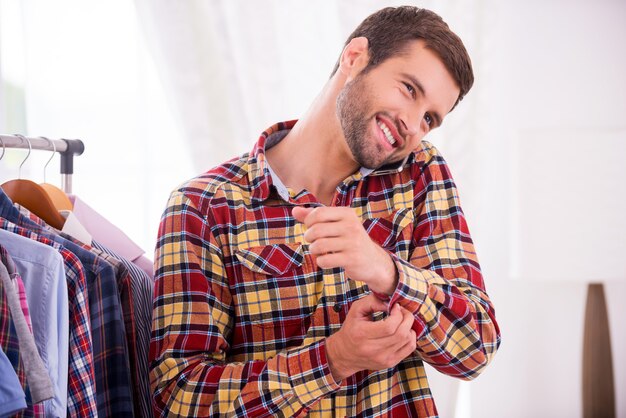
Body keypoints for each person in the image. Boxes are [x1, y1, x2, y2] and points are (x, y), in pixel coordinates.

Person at [149, 5, 501, 417]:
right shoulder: (202, 207)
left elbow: (476, 348)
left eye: (429, 118)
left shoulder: (420, 174)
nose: (412, 124)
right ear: (355, 58)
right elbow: (178, 398)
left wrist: (386, 271)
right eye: (408, 88)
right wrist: (333, 360)